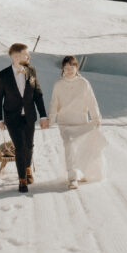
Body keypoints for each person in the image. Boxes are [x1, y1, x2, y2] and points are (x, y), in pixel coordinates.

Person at [0, 43, 49, 193]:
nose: (20, 58)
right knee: (19, 147)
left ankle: (27, 168)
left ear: (27, 57)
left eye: (23, 55)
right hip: (12, 117)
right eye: (16, 56)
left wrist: (43, 116)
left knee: (29, 146)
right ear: (11, 57)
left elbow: (38, 95)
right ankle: (22, 179)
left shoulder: (31, 71)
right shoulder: (3, 75)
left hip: (29, 115)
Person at [48, 56, 107, 189]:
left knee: (84, 148)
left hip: (82, 122)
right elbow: (54, 103)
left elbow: (91, 101)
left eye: (72, 67)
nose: (69, 70)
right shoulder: (58, 84)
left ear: (76, 68)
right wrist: (50, 120)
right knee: (69, 146)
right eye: (66, 68)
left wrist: (96, 118)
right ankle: (72, 178)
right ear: (63, 69)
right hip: (65, 124)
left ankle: (87, 172)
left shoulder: (83, 83)